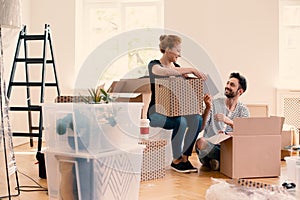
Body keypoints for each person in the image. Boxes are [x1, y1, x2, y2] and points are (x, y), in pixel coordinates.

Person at [147, 34, 210, 173]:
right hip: (156, 114)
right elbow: (163, 71)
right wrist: (192, 69)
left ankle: (185, 158)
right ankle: (176, 161)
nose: (179, 55)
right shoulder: (154, 65)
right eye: (178, 51)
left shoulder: (177, 67)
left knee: (197, 118)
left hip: (175, 111)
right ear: (168, 49)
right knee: (180, 121)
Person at [195, 72, 250, 171]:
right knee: (201, 142)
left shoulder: (243, 110)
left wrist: (229, 122)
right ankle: (220, 162)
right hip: (211, 147)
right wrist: (207, 108)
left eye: (232, 85)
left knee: (238, 151)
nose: (227, 86)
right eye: (228, 83)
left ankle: (216, 162)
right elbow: (201, 128)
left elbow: (245, 133)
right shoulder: (214, 103)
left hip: (228, 149)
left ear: (240, 91)